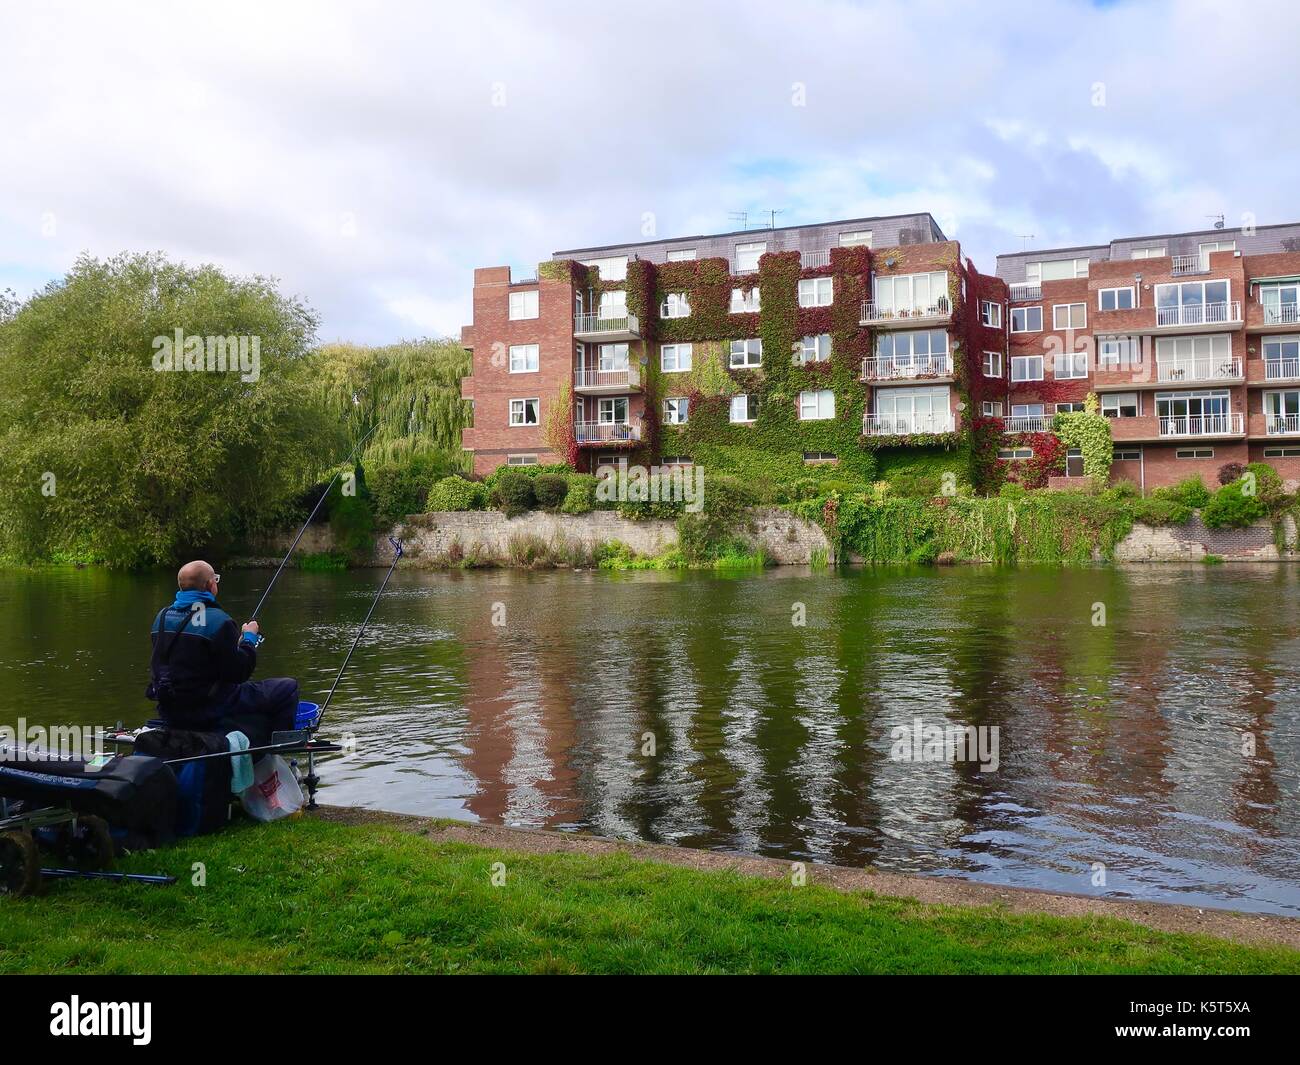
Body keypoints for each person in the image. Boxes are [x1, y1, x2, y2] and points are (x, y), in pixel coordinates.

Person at [147, 560, 299, 748]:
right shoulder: (219, 621)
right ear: (210, 585)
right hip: (209, 707)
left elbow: (189, 658)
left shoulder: (160, 618)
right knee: (288, 687)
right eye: (215, 580)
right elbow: (239, 673)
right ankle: (276, 748)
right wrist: (249, 638)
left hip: (170, 708)